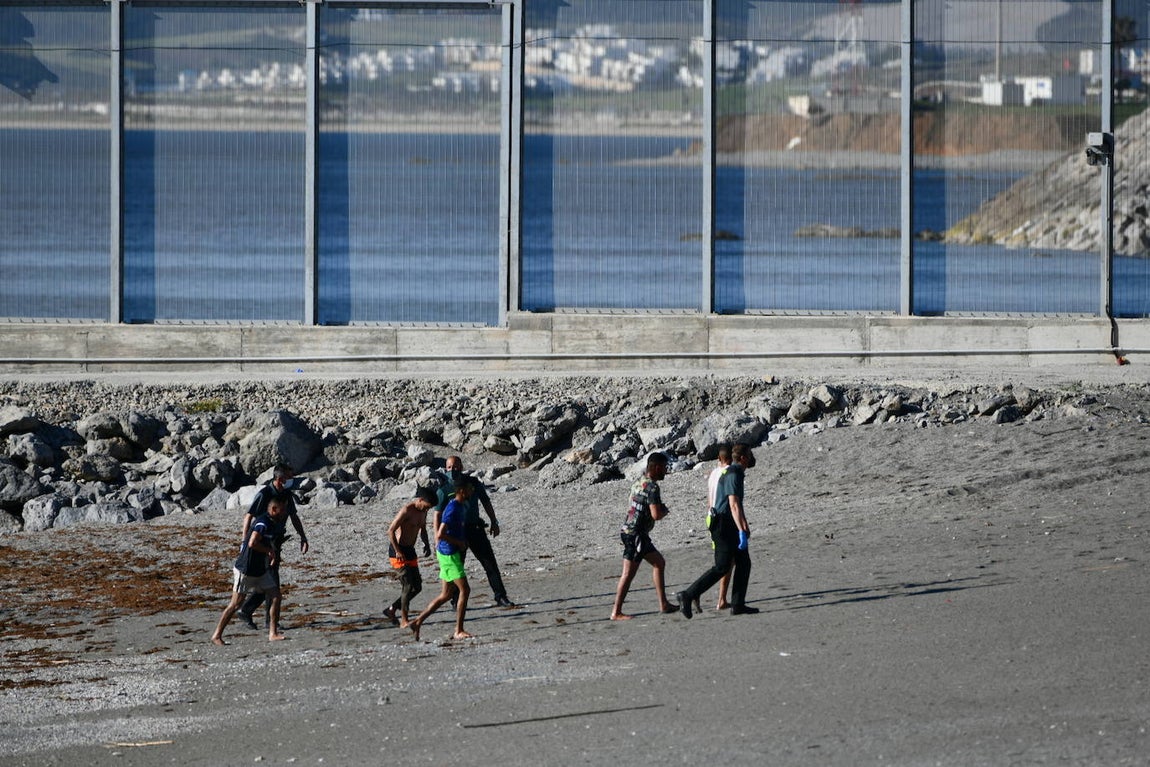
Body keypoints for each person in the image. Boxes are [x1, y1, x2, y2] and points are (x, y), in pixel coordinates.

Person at [677, 443, 759, 618]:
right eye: (749, 455)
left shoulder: (731, 472)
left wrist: (743, 525)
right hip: (723, 523)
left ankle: (738, 604)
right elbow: (733, 503)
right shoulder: (734, 473)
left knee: (743, 562)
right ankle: (688, 594)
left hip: (724, 521)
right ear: (743, 458)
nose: (752, 458)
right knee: (722, 566)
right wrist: (742, 528)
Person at [435, 456, 514, 607]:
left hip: (475, 528)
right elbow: (437, 515)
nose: (453, 470)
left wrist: (494, 521)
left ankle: (501, 596)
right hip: (456, 533)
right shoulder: (443, 489)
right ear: (446, 468)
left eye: (456, 466)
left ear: (462, 466)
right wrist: (437, 539)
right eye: (450, 467)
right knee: (457, 567)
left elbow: (485, 501)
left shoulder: (473, 483)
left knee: (489, 563)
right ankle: (455, 600)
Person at [211, 494, 291, 644]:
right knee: (235, 604)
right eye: (283, 509)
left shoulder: (273, 522)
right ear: (274, 509)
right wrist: (268, 551)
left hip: (260, 570)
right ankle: (217, 635)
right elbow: (252, 543)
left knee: (276, 596)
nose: (285, 512)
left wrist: (271, 553)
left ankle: (272, 633)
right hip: (245, 570)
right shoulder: (263, 522)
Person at [237, 464, 308, 632]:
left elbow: (293, 516)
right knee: (271, 582)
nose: (292, 480)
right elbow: (249, 517)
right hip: (261, 541)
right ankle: (256, 615)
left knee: (269, 581)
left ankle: (253, 613)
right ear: (280, 479)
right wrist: (244, 542)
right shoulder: (265, 494)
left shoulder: (287, 495)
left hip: (276, 540)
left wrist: (303, 537)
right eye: (290, 478)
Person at [610, 452, 678, 620]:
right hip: (636, 535)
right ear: (655, 467)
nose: (665, 471)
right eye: (663, 468)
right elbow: (656, 515)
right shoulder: (653, 487)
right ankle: (616, 612)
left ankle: (663, 604)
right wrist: (664, 511)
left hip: (629, 531)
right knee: (629, 574)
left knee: (658, 563)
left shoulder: (638, 483)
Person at [410, 479, 474, 641]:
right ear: (462, 491)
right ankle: (458, 630)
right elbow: (440, 534)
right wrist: (459, 543)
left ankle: (418, 621)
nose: (472, 491)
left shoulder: (461, 506)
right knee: (464, 590)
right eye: (470, 488)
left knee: (446, 594)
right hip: (449, 554)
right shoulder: (453, 508)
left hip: (447, 553)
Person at [382, 487, 436, 627]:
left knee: (417, 587)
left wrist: (427, 545)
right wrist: (398, 550)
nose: (427, 510)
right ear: (420, 500)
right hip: (398, 551)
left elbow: (422, 529)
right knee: (408, 585)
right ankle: (404, 620)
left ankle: (392, 609)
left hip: (410, 550)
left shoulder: (423, 512)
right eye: (426, 507)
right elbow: (390, 531)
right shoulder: (407, 510)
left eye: (429, 508)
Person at [701, 446, 734, 612]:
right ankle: (720, 598)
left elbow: (709, 498)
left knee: (723, 560)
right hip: (722, 518)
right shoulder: (727, 473)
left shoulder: (713, 473)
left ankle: (722, 598)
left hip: (710, 516)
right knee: (725, 561)